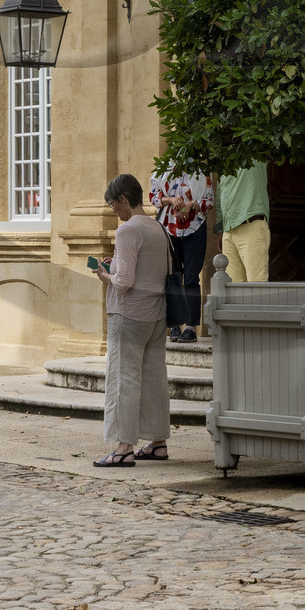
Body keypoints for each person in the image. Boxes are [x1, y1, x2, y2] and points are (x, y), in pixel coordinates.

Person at [94, 172, 171, 468]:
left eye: (114, 206)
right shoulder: (157, 228)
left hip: (128, 313)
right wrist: (115, 267)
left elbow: (124, 281)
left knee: (123, 377)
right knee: (154, 378)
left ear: (123, 199)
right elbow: (152, 271)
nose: (115, 212)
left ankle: (124, 447)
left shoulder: (127, 231)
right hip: (157, 313)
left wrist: (104, 274)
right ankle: (158, 442)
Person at [149, 163, 210, 341]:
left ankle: (190, 327)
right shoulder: (162, 171)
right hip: (168, 229)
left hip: (195, 229)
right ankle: (175, 325)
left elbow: (209, 202)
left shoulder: (201, 172)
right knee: (173, 277)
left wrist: (191, 204)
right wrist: (171, 200)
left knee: (191, 278)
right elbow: (153, 197)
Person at [216, 161, 270, 281]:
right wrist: (220, 229)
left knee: (256, 286)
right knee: (233, 290)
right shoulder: (223, 160)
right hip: (228, 230)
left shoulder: (255, 154)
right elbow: (220, 194)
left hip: (251, 225)